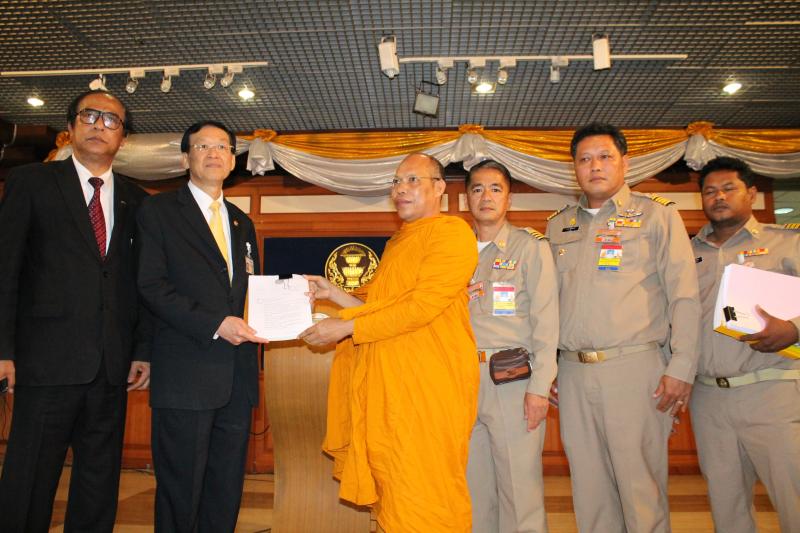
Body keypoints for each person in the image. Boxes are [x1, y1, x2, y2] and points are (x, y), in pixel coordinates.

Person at [298, 153, 479, 532]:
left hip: (428, 388)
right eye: (396, 182)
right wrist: (335, 294)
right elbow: (382, 310)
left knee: (428, 492)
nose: (401, 189)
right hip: (391, 387)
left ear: (439, 187)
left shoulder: (453, 234)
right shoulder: (398, 243)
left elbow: (421, 307)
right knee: (393, 489)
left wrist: (346, 328)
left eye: (413, 180)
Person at [0, 89, 151, 532]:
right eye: (90, 115)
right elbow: (5, 269)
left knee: (98, 483)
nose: (99, 125)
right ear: (70, 127)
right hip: (43, 364)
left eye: (111, 120)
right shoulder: (31, 182)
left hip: (111, 367)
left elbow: (140, 284)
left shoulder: (137, 199)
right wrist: (2, 351)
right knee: (29, 478)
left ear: (123, 137)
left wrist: (142, 350)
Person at [545, 122, 701, 532]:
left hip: (634, 369)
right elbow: (547, 305)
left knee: (640, 492)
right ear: (574, 168)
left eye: (605, 157)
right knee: (590, 493)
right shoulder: (558, 225)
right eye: (584, 159)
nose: (594, 166)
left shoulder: (657, 216)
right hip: (574, 374)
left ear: (625, 163)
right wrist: (550, 368)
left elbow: (685, 296)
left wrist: (682, 366)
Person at [136, 120, 266, 532]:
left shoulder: (242, 222)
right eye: (203, 146)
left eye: (223, 147)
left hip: (237, 378)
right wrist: (215, 324)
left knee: (225, 488)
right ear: (184, 159)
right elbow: (150, 285)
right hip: (185, 373)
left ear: (233, 160)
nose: (214, 154)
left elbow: (250, 292)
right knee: (181, 489)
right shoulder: (158, 211)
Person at [691, 156, 800, 533]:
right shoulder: (686, 253)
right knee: (728, 507)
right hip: (708, 399)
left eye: (728, 188)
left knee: (793, 499)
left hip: (771, 391)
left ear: (751, 193)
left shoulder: (786, 242)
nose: (718, 197)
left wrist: (795, 329)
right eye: (710, 191)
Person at [463, 159, 558, 532]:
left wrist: (539, 388)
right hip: (462, 380)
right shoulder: (454, 252)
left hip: (511, 379)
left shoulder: (530, 247)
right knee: (473, 491)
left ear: (509, 198)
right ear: (466, 198)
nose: (486, 196)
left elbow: (547, 322)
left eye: (495, 189)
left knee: (520, 494)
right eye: (477, 189)